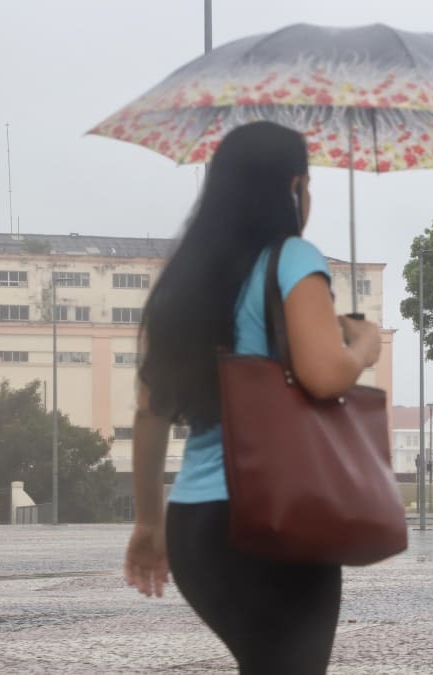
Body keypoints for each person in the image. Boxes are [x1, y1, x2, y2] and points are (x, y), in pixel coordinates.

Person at [122, 122, 382, 674]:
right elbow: (326, 375)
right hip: (279, 521)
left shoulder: (186, 278)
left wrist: (149, 524)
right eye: (307, 185)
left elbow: (150, 411)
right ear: (293, 188)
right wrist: (361, 346)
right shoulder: (292, 257)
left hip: (196, 529)